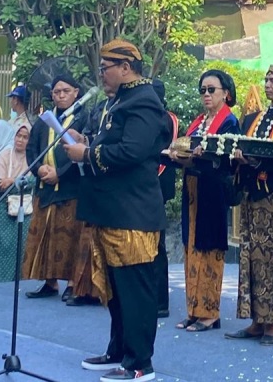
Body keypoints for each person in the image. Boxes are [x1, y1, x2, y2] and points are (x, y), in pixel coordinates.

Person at [64, 38, 171, 382]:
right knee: (115, 288)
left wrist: (88, 155)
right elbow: (112, 145)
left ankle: (140, 362)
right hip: (111, 209)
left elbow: (131, 152)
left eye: (105, 68)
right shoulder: (119, 100)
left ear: (126, 67)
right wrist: (88, 145)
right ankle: (119, 350)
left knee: (135, 290)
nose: (101, 75)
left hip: (132, 213)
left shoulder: (143, 101)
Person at [223, 64, 273, 346]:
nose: (267, 84)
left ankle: (272, 323)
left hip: (272, 193)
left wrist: (254, 160)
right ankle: (256, 320)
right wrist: (239, 158)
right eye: (266, 79)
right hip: (250, 193)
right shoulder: (254, 117)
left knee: (268, 257)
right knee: (249, 255)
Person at [168, 69, 241, 332]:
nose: (206, 95)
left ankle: (210, 312)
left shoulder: (229, 122)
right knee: (191, 249)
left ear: (226, 93)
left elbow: (225, 161)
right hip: (192, 190)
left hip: (213, 192)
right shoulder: (199, 122)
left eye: (212, 90)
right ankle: (193, 309)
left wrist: (196, 158)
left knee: (210, 249)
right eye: (203, 90)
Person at [21, 74, 89, 301]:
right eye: (57, 92)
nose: (61, 96)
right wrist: (39, 169)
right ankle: (48, 282)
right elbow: (31, 150)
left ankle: (71, 282)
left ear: (76, 92)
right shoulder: (44, 120)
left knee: (69, 237)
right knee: (44, 234)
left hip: (70, 188)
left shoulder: (82, 118)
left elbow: (80, 152)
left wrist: (59, 174)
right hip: (45, 187)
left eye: (65, 91)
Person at [0, 121, 35, 284]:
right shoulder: (4, 155)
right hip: (2, 210)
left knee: (20, 247)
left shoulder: (33, 158)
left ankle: (18, 282)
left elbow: (33, 181)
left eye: (25, 137)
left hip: (24, 210)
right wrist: (18, 183)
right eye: (18, 136)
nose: (20, 140)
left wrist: (12, 181)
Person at [153, 78, 179, 319]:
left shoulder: (167, 118)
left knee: (157, 247)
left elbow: (164, 152)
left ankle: (161, 301)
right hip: (144, 188)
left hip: (157, 185)